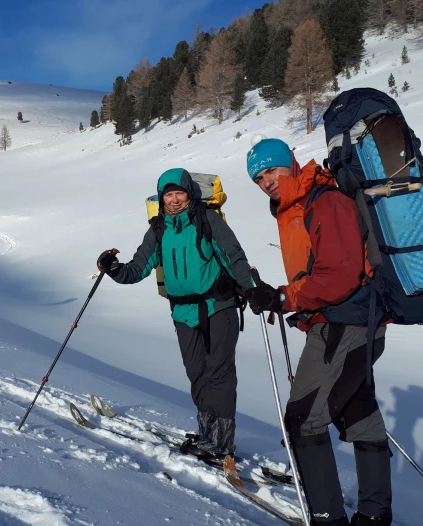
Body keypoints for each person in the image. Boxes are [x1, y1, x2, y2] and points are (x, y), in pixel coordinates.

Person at [244, 138, 392, 526]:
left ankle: (327, 519)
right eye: (259, 178)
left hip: (343, 323)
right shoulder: (298, 204)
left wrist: (283, 297)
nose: (267, 182)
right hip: (355, 321)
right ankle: (375, 515)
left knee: (303, 419)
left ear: (290, 163)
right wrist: (285, 296)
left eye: (271, 171)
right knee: (359, 411)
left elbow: (338, 276)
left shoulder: (323, 200)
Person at [97, 168, 258, 461]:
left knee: (218, 372)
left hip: (217, 306)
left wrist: (252, 290)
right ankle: (208, 433)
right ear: (161, 198)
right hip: (182, 311)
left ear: (189, 193)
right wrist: (114, 269)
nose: (173, 200)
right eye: (168, 194)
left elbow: (234, 257)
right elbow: (137, 268)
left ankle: (222, 442)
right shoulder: (159, 229)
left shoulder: (208, 220)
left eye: (179, 193)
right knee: (197, 373)